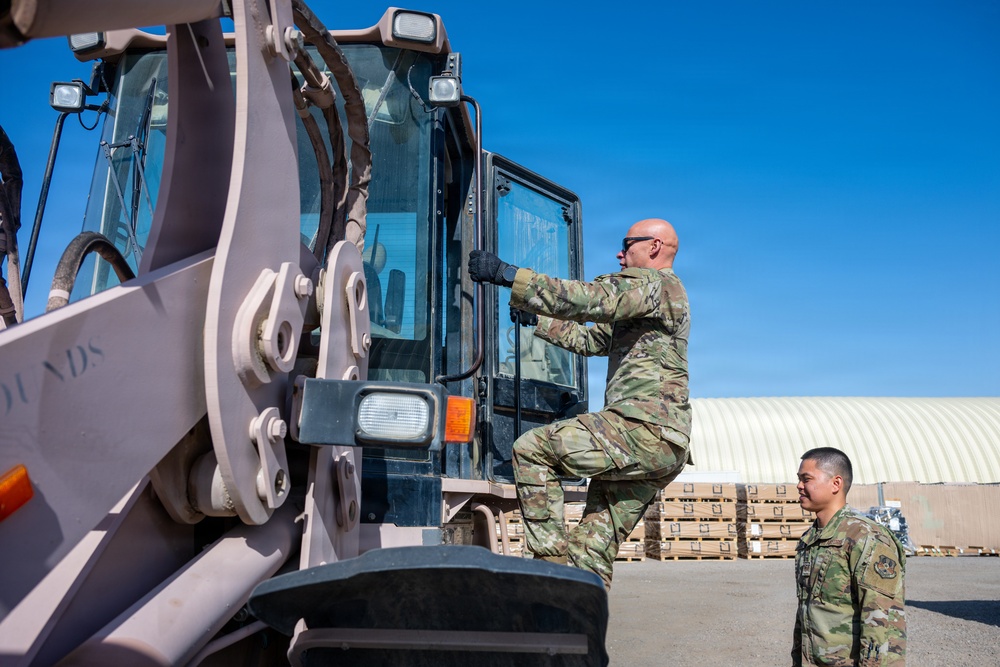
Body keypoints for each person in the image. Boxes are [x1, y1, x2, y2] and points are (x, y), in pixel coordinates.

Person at [467, 217, 691, 590]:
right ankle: (573, 617)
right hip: (662, 445)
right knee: (591, 551)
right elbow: (592, 341)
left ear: (653, 246)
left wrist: (511, 276)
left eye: (627, 244)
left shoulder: (657, 285)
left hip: (642, 429)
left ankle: (547, 571)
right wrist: (539, 320)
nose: (620, 253)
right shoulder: (650, 300)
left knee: (533, 449)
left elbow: (590, 299)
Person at [793, 447, 906, 666]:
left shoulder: (865, 538)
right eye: (799, 479)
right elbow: (808, 613)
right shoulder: (811, 539)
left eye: (806, 479)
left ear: (836, 484)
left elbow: (881, 623)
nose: (799, 486)